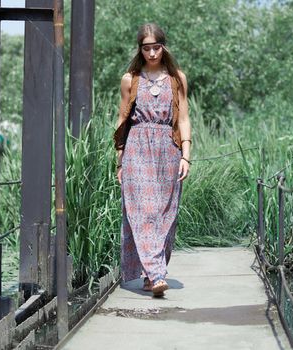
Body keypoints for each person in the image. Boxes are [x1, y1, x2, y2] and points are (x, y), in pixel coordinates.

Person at [113, 23, 192, 297]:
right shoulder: (130, 79)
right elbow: (122, 120)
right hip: (137, 148)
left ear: (164, 46)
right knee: (144, 212)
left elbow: (183, 118)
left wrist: (186, 155)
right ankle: (158, 275)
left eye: (156, 47)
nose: (152, 53)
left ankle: (150, 274)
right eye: (146, 48)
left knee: (166, 215)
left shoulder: (176, 78)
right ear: (140, 49)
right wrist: (120, 161)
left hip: (168, 150)